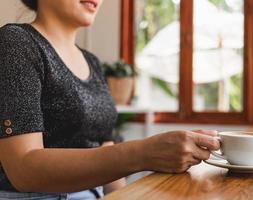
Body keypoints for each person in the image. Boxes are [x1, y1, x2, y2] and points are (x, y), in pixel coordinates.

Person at [0, 0, 220, 199]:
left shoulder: (92, 62)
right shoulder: (16, 43)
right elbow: (23, 169)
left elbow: (105, 150)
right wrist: (144, 153)